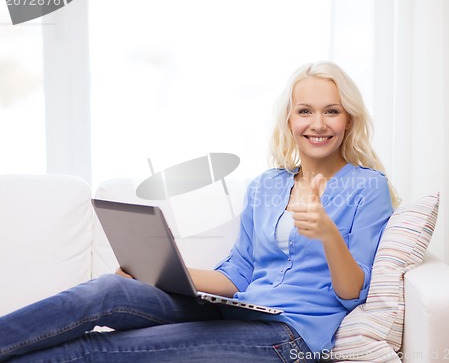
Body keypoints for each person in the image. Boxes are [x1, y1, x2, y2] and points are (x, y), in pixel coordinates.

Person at [0, 61, 398, 362]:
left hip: (290, 337)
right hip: (238, 313)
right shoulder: (268, 185)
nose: (318, 123)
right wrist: (157, 273)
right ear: (290, 120)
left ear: (348, 120)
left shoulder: (368, 186)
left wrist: (328, 233)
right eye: (305, 111)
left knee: (102, 348)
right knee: (109, 289)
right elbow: (237, 273)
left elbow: (352, 294)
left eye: (331, 111)